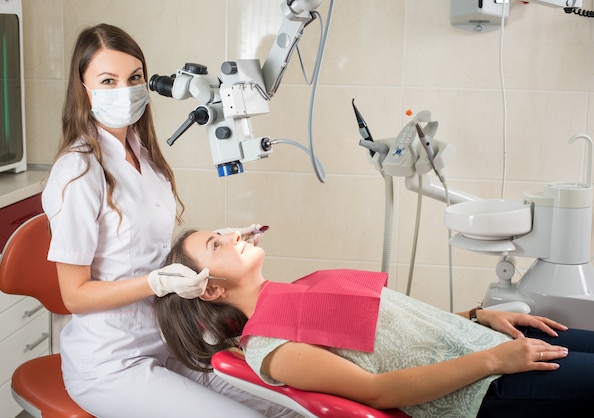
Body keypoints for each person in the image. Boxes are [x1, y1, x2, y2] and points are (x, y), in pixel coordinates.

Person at [42, 23, 300, 418]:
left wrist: (222, 241)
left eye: (134, 78)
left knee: (287, 406)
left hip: (170, 340)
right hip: (112, 362)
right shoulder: (77, 171)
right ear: (83, 89)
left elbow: (151, 248)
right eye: (107, 80)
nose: (124, 91)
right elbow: (73, 295)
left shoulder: (145, 156)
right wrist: (154, 282)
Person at [155, 228, 594, 418]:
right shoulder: (272, 348)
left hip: (494, 342)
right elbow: (377, 392)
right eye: (217, 244)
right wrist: (492, 361)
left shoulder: (300, 290)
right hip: (486, 386)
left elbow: (395, 327)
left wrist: (480, 316)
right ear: (210, 289)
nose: (234, 235)